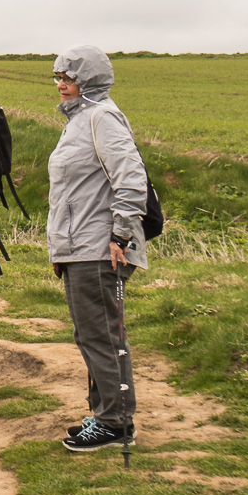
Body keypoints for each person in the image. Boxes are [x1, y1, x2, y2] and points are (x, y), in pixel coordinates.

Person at [48, 46, 149, 452]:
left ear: (88, 82)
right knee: (90, 335)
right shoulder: (79, 122)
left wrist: (120, 236)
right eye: (58, 78)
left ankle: (116, 422)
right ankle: (103, 414)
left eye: (68, 79)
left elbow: (131, 179)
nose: (60, 85)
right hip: (79, 248)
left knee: (103, 336)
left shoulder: (101, 118)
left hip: (100, 249)